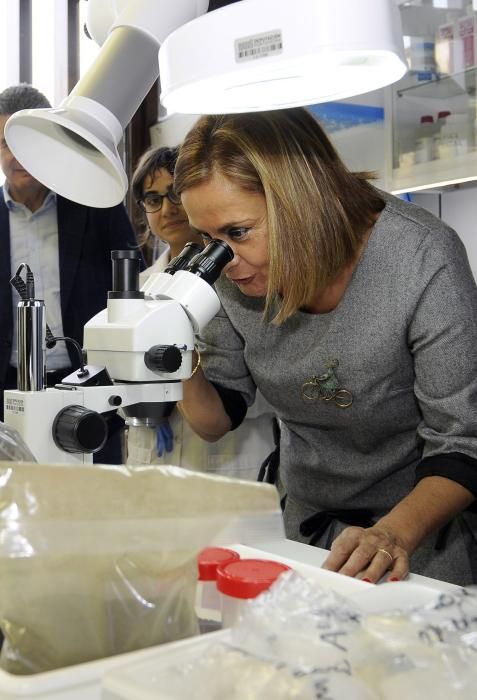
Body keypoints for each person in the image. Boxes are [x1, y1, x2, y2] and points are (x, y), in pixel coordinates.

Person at [173, 107, 477, 587]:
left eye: (237, 232)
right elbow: (216, 419)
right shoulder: (233, 273)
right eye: (207, 238)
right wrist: (173, 350)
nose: (223, 260)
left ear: (302, 201)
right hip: (308, 530)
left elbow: (462, 442)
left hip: (417, 534)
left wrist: (392, 535)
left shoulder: (419, 257)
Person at [0, 84, 142, 464]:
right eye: (4, 144)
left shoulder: (96, 202)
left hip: (89, 385)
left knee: (93, 504)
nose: (15, 157)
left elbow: (133, 283)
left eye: (24, 142)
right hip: (9, 389)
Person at [126, 145, 276, 479]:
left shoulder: (247, 277)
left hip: (232, 451)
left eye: (175, 194)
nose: (167, 209)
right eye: (153, 199)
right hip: (156, 452)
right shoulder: (141, 285)